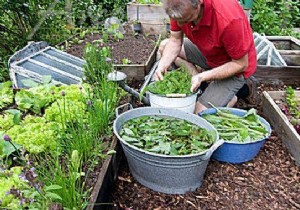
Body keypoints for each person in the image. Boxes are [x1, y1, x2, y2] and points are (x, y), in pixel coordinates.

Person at [155, 0, 257, 114]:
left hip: (235, 66)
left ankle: (239, 92)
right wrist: (162, 65)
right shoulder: (177, 5)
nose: (180, 25)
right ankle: (202, 84)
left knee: (198, 114)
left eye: (186, 20)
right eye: (178, 21)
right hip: (209, 52)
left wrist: (203, 76)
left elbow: (241, 64)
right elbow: (174, 41)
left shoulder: (229, 19)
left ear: (199, 3)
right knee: (165, 46)